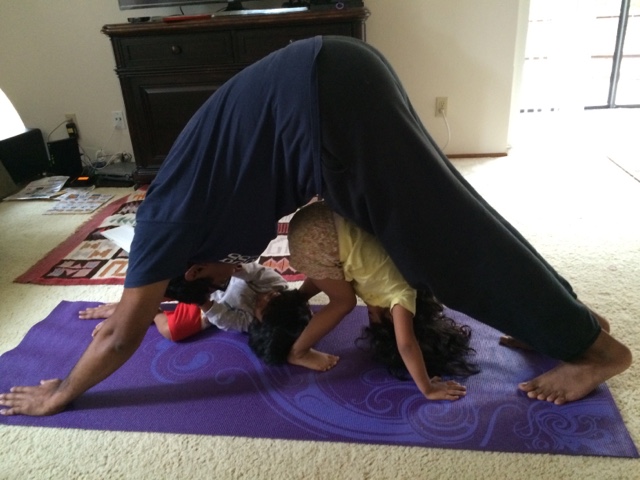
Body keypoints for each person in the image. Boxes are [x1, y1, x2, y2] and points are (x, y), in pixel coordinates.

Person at [0, 36, 631, 417]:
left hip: (326, 105)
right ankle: (565, 317)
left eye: (211, 282)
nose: (229, 278)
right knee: (455, 214)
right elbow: (135, 310)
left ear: (186, 269)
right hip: (332, 75)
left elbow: (120, 335)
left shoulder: (166, 227)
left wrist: (63, 391)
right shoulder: (175, 230)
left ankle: (595, 352)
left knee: (443, 252)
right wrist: (129, 303)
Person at [249, 201, 478, 401]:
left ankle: (296, 301)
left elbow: (326, 275)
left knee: (339, 281)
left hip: (318, 217)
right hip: (317, 236)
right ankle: (298, 352)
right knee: (344, 302)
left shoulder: (391, 279)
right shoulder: (402, 295)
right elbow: (406, 345)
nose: (369, 312)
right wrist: (427, 388)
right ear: (392, 318)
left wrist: (298, 299)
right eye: (372, 318)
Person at [79, 261, 288, 341]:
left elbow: (224, 318)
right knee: (163, 282)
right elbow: (253, 271)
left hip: (211, 300)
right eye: (273, 297)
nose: (265, 298)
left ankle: (152, 311)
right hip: (220, 273)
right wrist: (229, 269)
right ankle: (132, 305)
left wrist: (200, 301)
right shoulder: (276, 285)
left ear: (258, 322)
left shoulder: (249, 323)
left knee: (173, 331)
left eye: (263, 308)